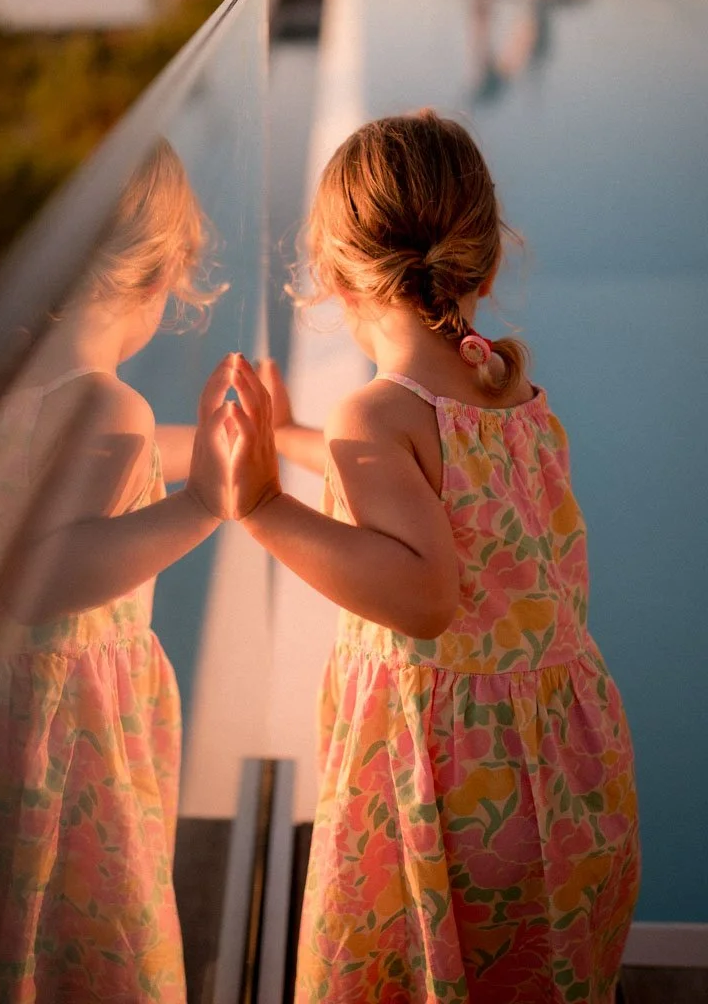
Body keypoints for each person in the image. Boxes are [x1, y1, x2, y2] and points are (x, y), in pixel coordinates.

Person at [225, 112, 640, 1004]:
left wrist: (261, 504)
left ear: (334, 275)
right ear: (484, 262)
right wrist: (294, 437)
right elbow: (439, 491)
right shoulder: (508, 390)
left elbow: (424, 596)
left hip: (455, 783)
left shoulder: (377, 415)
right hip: (565, 770)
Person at [0, 139, 235, 1003]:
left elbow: (74, 477)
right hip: (56, 745)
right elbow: (44, 574)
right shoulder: (110, 405)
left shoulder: (1, 380)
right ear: (164, 269)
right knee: (80, 934)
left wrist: (209, 449)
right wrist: (204, 502)